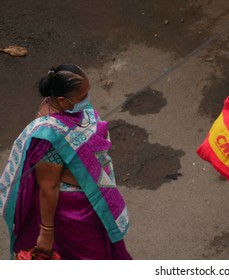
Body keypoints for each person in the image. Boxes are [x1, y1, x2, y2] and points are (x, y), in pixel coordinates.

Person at [0, 63, 132, 259]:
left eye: (88, 92)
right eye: (82, 96)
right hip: (72, 213)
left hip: (91, 197)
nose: (87, 100)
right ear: (62, 100)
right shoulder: (49, 137)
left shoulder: (69, 108)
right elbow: (48, 187)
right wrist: (46, 233)